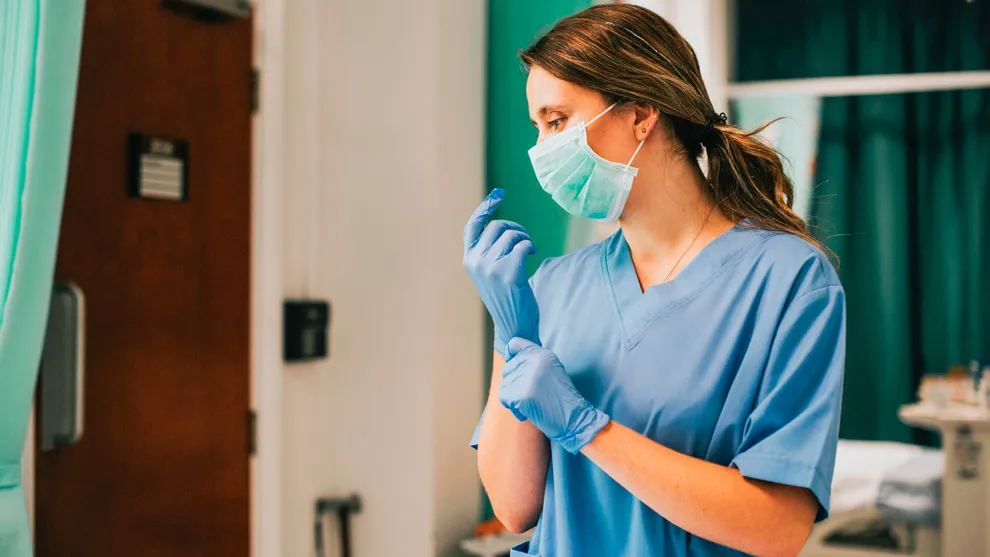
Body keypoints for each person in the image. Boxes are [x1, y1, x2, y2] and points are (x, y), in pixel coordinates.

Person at [462, 5, 846, 557]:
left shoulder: (788, 280)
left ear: (641, 114)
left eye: (557, 121)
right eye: (537, 127)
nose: (542, 150)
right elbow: (513, 507)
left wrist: (586, 427)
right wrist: (512, 336)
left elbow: (777, 527)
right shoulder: (550, 288)